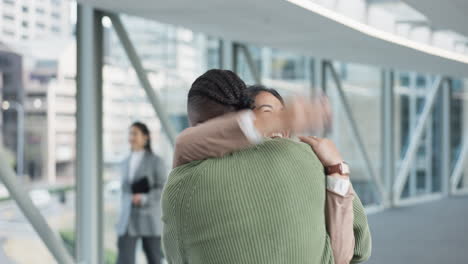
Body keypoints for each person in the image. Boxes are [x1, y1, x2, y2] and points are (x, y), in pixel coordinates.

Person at [162, 69, 371, 264]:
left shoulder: (181, 182)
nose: (280, 127)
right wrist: (337, 168)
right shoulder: (312, 160)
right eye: (267, 115)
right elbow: (357, 248)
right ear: (246, 116)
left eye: (281, 115)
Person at [116, 122, 167, 264]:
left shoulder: (156, 161)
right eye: (130, 134)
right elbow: (124, 190)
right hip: (128, 218)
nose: (131, 137)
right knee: (124, 259)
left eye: (135, 133)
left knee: (154, 258)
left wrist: (144, 198)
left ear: (146, 137)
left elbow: (162, 188)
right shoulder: (125, 161)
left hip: (149, 217)